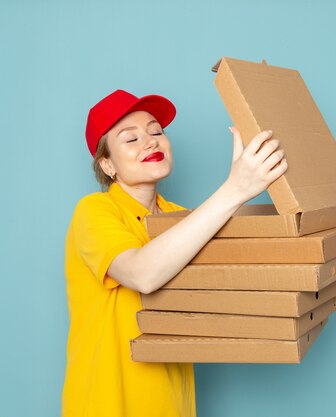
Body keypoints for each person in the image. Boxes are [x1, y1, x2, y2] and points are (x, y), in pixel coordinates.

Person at [62, 89, 288, 417]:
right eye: (131, 139)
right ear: (107, 164)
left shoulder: (179, 218)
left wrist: (247, 187)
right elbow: (143, 274)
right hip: (107, 405)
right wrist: (234, 189)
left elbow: (241, 271)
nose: (151, 142)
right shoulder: (95, 211)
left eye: (156, 132)